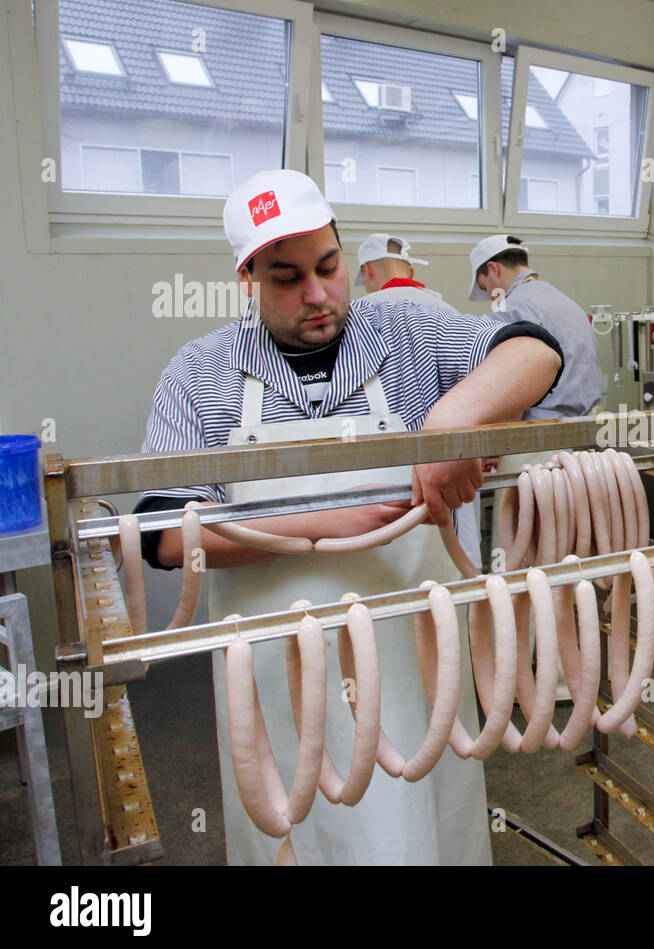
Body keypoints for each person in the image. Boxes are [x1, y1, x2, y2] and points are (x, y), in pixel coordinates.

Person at [134, 169, 565, 865]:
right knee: (300, 832)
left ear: (343, 251)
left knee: (421, 829)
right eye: (285, 277)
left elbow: (536, 351)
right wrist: (332, 524)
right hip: (280, 685)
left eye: (329, 267)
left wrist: (453, 422)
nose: (317, 294)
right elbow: (159, 536)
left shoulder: (406, 330)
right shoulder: (200, 374)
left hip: (414, 670)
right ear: (247, 277)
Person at [354, 234, 480, 568]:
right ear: (410, 268)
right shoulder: (447, 312)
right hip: (455, 471)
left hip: (381, 487)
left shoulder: (358, 317)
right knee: (458, 575)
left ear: (367, 271)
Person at [468, 234, 603, 420]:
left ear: (493, 269)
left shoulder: (511, 310)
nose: (492, 296)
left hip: (542, 433)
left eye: (485, 288)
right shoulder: (568, 304)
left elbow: (500, 386)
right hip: (587, 422)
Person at [355, 232, 446, 305]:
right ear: (411, 273)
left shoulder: (365, 311)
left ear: (368, 271)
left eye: (364, 281)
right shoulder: (444, 307)